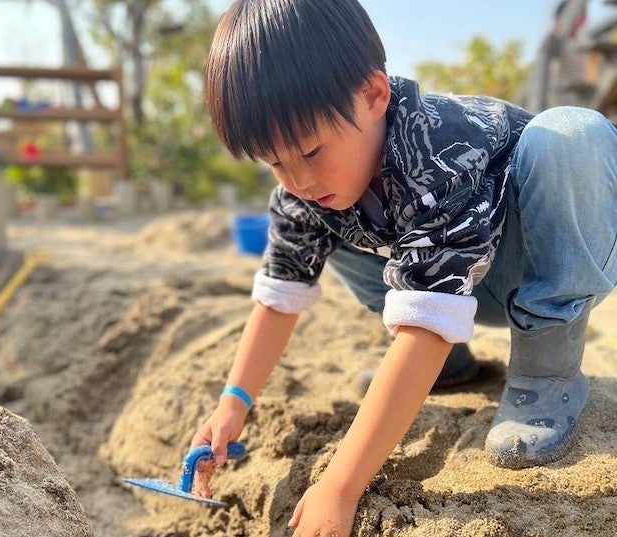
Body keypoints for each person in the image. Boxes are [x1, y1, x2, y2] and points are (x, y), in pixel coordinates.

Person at [190, 0, 617, 535]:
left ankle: (547, 370)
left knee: (572, 134)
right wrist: (233, 403)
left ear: (373, 96)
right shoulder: (307, 190)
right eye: (276, 162)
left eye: (311, 150)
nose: (297, 177)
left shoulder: (438, 150)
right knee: (322, 216)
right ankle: (450, 367)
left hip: (534, 260)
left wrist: (340, 486)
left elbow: (426, 324)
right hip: (459, 288)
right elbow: (280, 295)